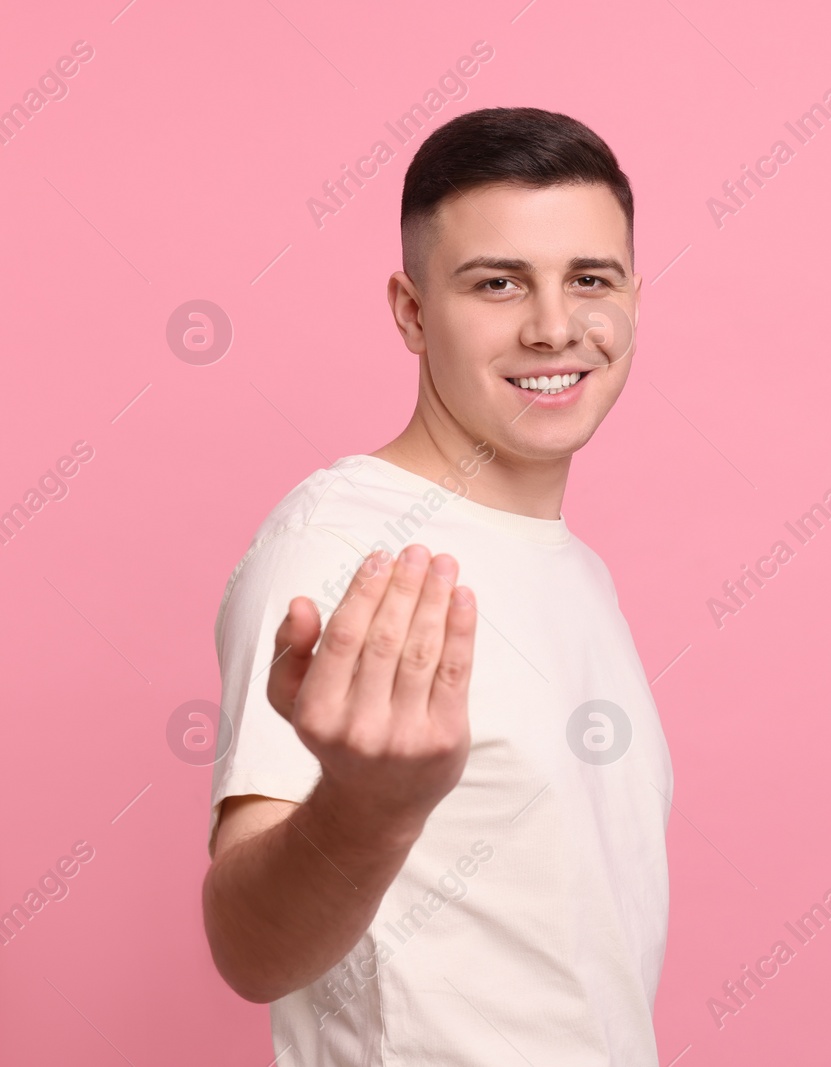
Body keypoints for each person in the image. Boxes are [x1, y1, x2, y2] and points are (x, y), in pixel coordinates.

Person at [201, 107, 672, 1066]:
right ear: (413, 312)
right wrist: (369, 808)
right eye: (497, 283)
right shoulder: (340, 541)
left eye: (590, 279)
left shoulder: (576, 569)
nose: (553, 327)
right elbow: (247, 948)